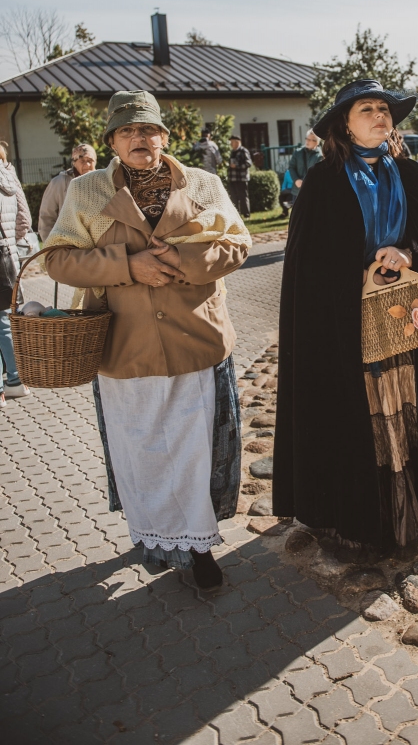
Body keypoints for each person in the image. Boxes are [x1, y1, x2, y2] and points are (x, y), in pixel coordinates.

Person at [44, 90, 251, 588]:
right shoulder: (88, 191)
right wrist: (126, 266)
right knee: (142, 452)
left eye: (149, 130)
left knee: (195, 450)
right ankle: (155, 539)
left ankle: (199, 548)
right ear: (113, 141)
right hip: (125, 348)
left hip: (196, 341)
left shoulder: (201, 183)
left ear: (165, 135)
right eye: (127, 131)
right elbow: (57, 258)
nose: (140, 138)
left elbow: (238, 243)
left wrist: (185, 262)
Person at [273, 79, 418, 550]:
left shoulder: (409, 175)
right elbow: (307, 265)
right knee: (361, 415)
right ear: (344, 126)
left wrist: (408, 253)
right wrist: (361, 268)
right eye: (366, 108)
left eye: (384, 108)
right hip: (347, 329)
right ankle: (361, 518)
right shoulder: (324, 183)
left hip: (409, 321)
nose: (379, 114)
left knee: (415, 408)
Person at [0, 144, 33, 400]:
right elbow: (24, 219)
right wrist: (11, 241)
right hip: (7, 256)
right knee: (5, 321)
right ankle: (15, 378)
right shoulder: (9, 176)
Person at [38, 143, 97, 241]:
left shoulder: (101, 181)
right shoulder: (59, 182)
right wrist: (51, 246)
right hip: (67, 244)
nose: (87, 164)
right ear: (74, 162)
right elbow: (46, 216)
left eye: (90, 160)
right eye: (82, 160)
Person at [288, 130, 323, 200]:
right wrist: (296, 180)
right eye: (307, 139)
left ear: (317, 142)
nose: (307, 141)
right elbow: (291, 167)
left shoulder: (320, 156)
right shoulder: (297, 152)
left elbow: (319, 174)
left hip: (313, 192)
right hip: (297, 191)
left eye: (310, 140)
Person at [227, 134, 252, 219]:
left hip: (242, 178)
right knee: (234, 196)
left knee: (243, 196)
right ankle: (236, 213)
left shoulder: (243, 151)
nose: (231, 144)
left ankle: (246, 214)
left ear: (238, 142)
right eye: (231, 142)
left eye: (233, 142)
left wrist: (237, 166)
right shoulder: (230, 152)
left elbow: (248, 163)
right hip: (232, 178)